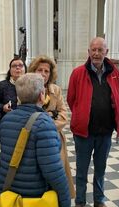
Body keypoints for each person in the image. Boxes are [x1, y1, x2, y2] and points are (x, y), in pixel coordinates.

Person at [0, 73, 71, 207]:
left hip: (16, 195)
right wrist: (65, 204)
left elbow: (6, 163)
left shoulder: (6, 120)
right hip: (39, 197)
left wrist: (0, 196)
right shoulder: (45, 123)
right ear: (41, 96)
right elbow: (53, 171)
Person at [67, 37, 119, 207]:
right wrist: (81, 114)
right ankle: (80, 202)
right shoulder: (77, 73)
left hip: (105, 131)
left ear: (106, 51)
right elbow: (71, 99)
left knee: (101, 168)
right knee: (82, 169)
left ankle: (99, 200)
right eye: (93, 50)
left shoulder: (114, 72)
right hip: (84, 132)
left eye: (100, 49)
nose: (97, 53)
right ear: (88, 52)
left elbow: (116, 96)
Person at [28, 55, 75, 198]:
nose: (43, 74)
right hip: (33, 139)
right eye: (39, 70)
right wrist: (48, 116)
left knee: (55, 172)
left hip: (54, 139)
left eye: (46, 71)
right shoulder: (27, 89)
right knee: (36, 173)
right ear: (33, 71)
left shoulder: (56, 90)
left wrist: (45, 124)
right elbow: (26, 115)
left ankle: (56, 206)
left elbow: (63, 116)